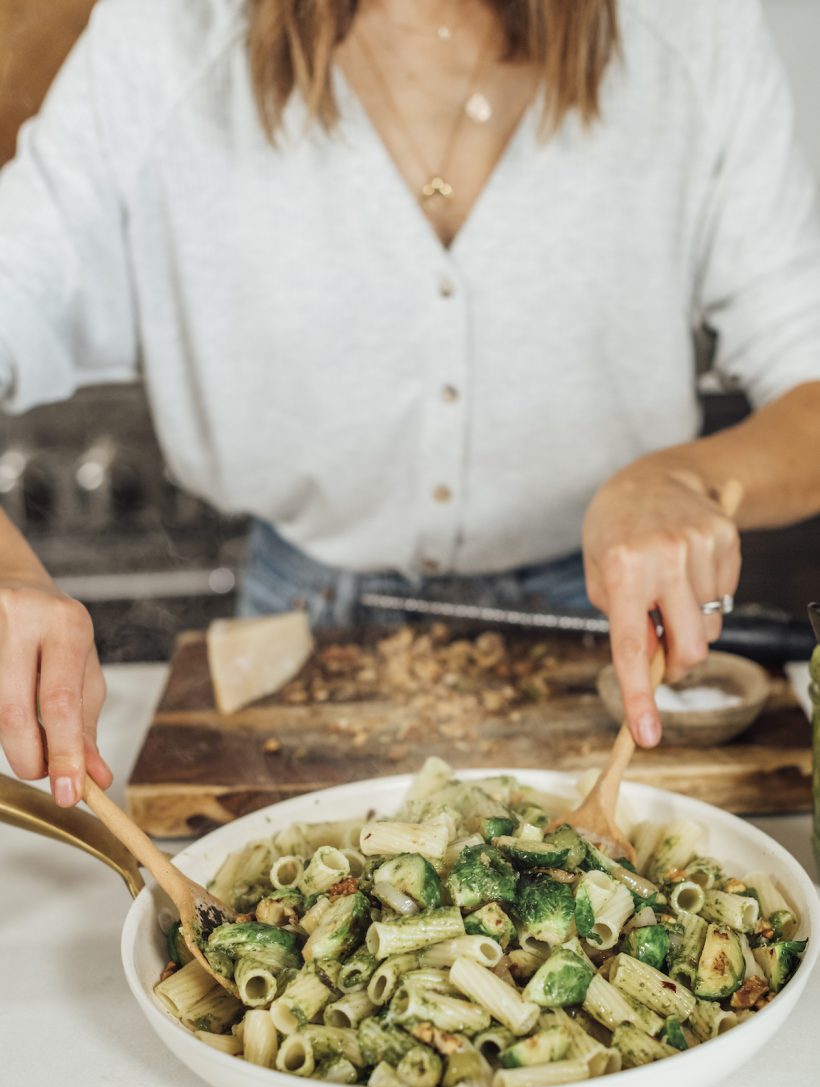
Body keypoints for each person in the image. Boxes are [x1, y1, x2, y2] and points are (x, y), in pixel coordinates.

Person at [0, 0, 819, 809]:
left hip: (610, 629)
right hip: (295, 636)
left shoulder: (694, 29)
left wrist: (688, 480)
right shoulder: (163, 37)